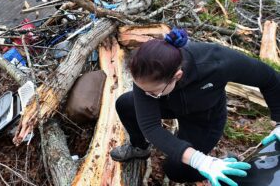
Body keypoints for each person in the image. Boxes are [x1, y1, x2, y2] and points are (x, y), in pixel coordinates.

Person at [110, 28, 280, 186]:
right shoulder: (145, 71)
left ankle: (225, 166)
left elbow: (270, 79)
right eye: (142, 89)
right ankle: (139, 148)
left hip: (204, 117)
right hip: (169, 104)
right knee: (125, 104)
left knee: (176, 170)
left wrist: (279, 122)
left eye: (152, 92)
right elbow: (151, 126)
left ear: (177, 76)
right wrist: (198, 159)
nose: (145, 96)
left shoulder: (218, 62)